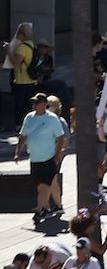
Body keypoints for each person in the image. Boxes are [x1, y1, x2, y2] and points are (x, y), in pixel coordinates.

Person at [18, 92, 68, 222]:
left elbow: (61, 137)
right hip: (35, 158)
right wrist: (18, 151)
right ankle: (50, 207)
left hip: (48, 158)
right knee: (41, 186)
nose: (34, 105)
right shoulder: (29, 117)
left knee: (45, 186)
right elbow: (23, 135)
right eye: (33, 102)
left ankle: (40, 210)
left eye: (37, 102)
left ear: (44, 104)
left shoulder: (52, 119)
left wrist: (58, 154)